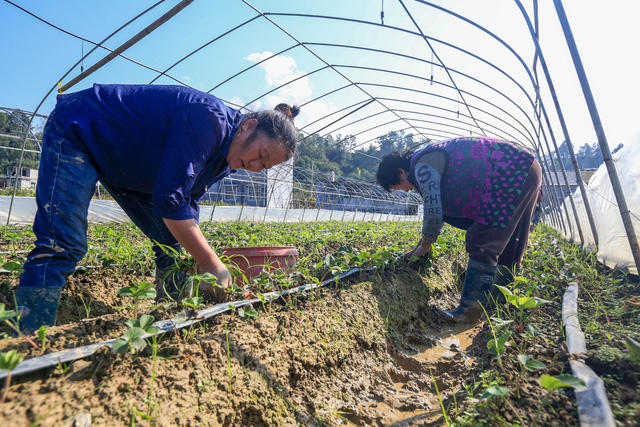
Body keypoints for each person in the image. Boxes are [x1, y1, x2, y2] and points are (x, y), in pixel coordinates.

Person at [15, 84, 299, 333]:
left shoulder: (227, 157)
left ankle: (169, 318)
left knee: (171, 244)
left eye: (264, 166)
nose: (254, 167)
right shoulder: (208, 120)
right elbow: (170, 199)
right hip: (79, 131)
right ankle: (30, 337)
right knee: (63, 243)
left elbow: (187, 200)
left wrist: (199, 262)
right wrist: (212, 263)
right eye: (259, 156)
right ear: (248, 126)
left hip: (124, 165)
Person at [376, 136, 542, 323]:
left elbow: (433, 206)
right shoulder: (427, 157)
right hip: (526, 166)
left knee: (482, 240)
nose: (404, 190)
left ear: (400, 172)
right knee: (511, 241)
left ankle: (469, 312)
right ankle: (499, 305)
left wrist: (425, 245)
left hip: (509, 170)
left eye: (397, 186)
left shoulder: (421, 166)